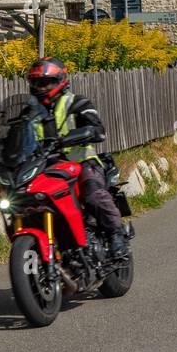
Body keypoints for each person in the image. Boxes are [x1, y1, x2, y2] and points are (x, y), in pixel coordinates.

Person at [26, 57, 127, 258]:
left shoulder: (77, 103)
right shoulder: (29, 113)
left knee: (93, 195)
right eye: (36, 82)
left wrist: (84, 133)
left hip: (81, 163)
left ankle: (116, 235)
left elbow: (98, 129)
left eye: (45, 82)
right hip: (47, 169)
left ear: (59, 80)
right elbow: (16, 138)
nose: (41, 87)